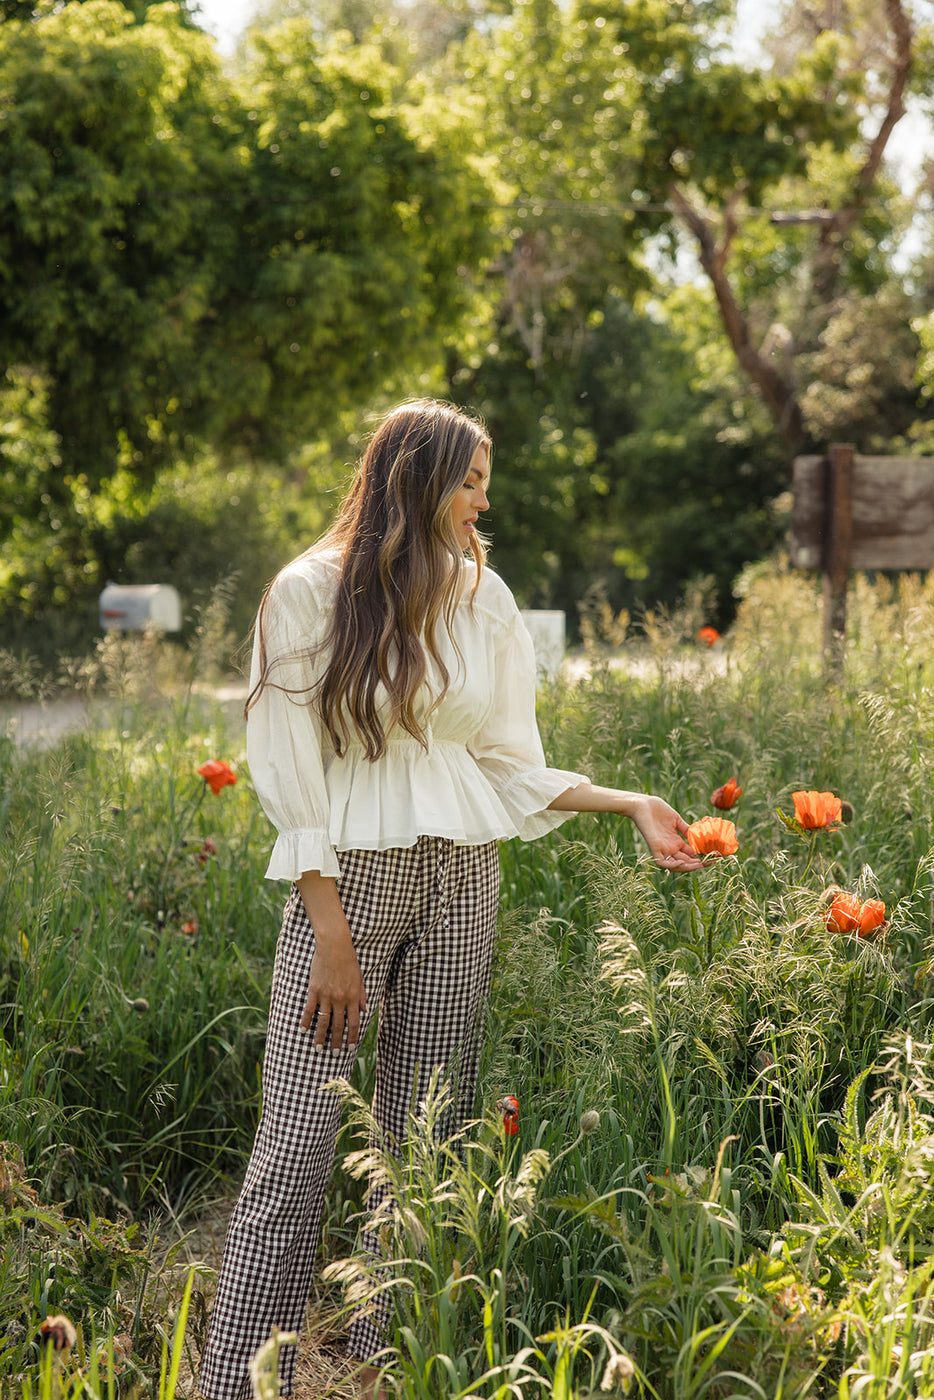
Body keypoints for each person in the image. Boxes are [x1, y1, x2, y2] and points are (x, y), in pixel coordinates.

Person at [198, 399, 702, 1400]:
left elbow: (507, 762)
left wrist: (630, 801)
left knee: (424, 1137)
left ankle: (388, 1356)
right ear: (414, 481)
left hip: (465, 874)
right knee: (295, 1145)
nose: (484, 498)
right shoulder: (308, 591)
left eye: (483, 480)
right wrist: (331, 924)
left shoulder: (485, 597)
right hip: (347, 883)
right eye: (469, 479)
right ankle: (233, 1382)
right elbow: (287, 770)